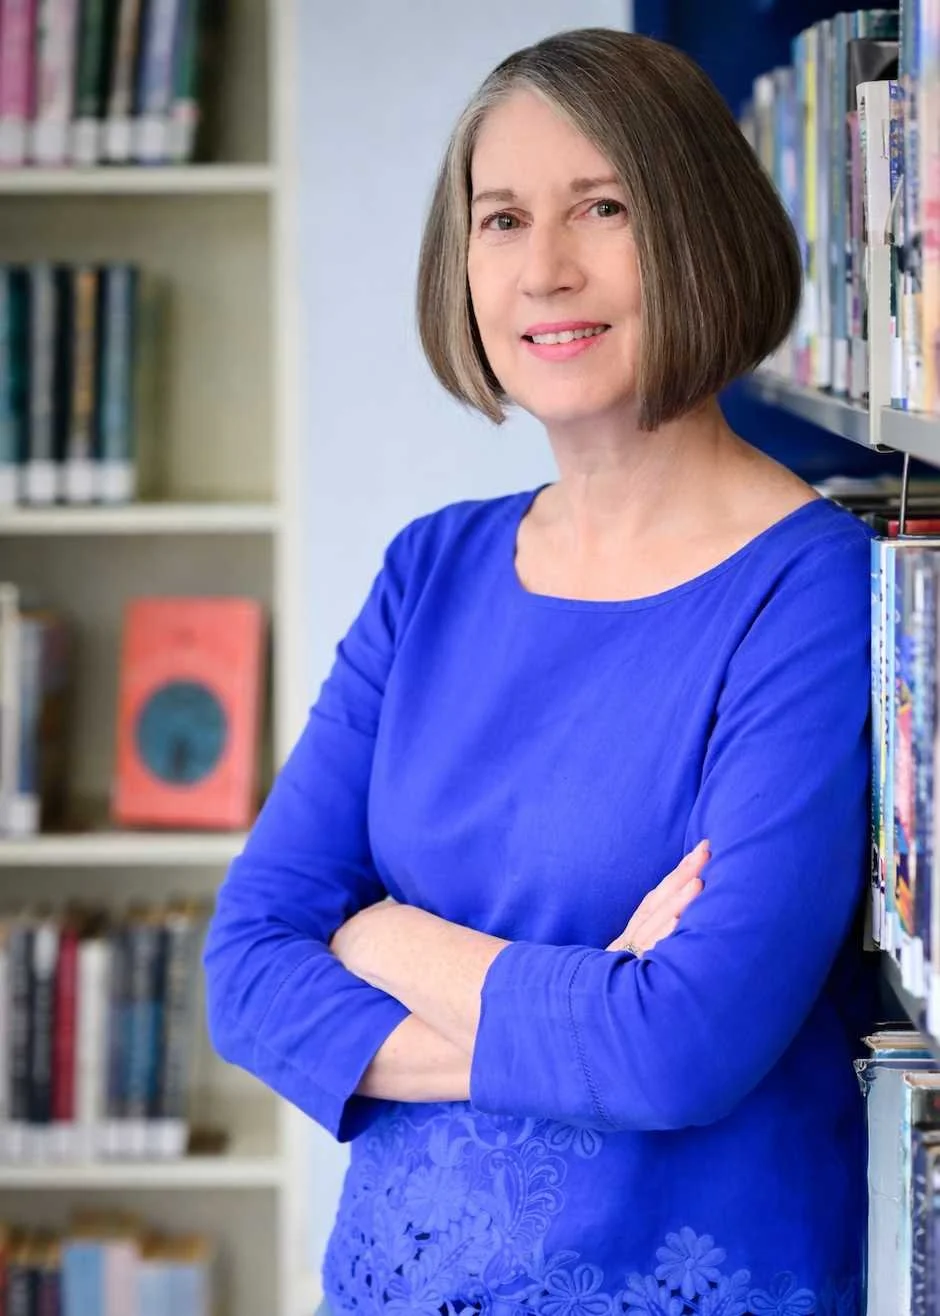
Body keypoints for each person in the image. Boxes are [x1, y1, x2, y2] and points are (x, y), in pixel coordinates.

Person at [204, 27, 875, 1316]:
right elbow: (245, 968)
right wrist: (579, 1019)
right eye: (501, 218)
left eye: (603, 208)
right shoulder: (431, 573)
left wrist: (378, 935)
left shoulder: (815, 591)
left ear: (701, 233)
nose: (545, 270)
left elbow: (678, 1049)